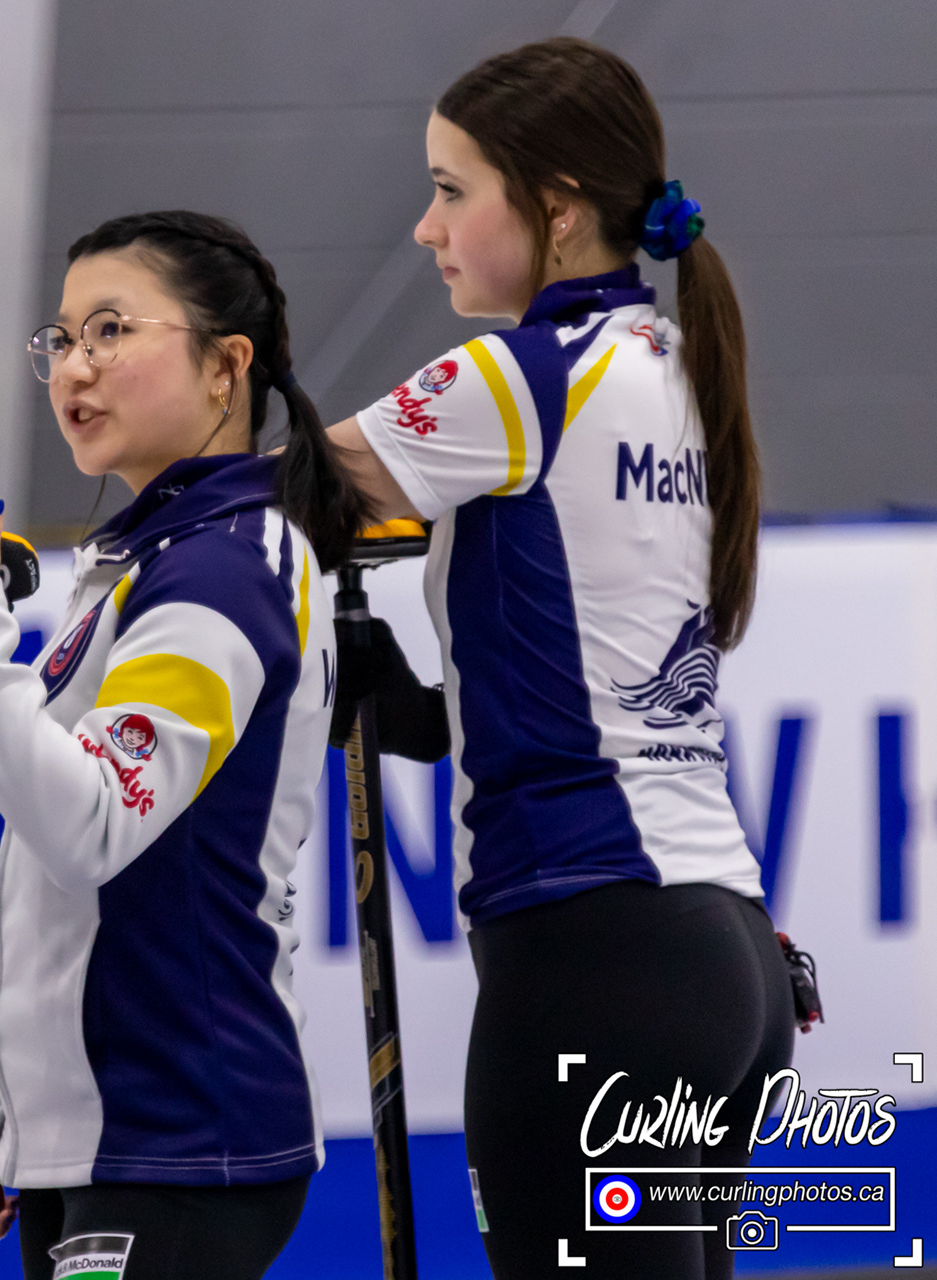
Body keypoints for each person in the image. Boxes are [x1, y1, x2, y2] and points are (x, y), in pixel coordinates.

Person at [322, 38, 793, 1278]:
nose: (426, 228)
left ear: (559, 206)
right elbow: (585, 672)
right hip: (722, 954)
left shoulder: (523, 374)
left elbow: (270, 496)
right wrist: (413, 706)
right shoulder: (677, 364)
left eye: (450, 189)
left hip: (595, 960)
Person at [0, 211, 367, 1280]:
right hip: (107, 1142)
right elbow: (62, 898)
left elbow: (89, 825)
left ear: (225, 367)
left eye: (111, 330)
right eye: (61, 339)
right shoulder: (153, 559)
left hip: (183, 1133)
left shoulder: (225, 568)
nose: (74, 367)